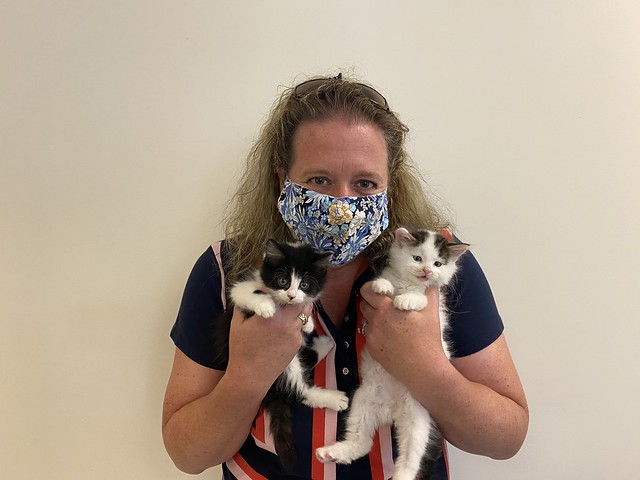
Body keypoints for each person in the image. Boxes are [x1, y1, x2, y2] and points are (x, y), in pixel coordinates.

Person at [162, 74, 529, 480]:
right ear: (281, 177)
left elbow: (505, 438)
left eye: (365, 183)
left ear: (389, 186)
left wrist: (429, 369)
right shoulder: (224, 270)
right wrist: (247, 375)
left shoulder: (436, 266)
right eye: (319, 180)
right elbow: (187, 455)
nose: (341, 204)